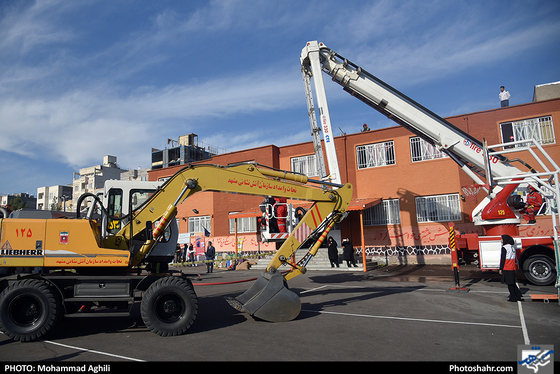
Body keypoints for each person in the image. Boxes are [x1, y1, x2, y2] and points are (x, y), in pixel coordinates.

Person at [499, 235, 523, 302]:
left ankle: (513, 297)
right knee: (512, 282)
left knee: (510, 283)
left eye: (502, 239)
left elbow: (503, 259)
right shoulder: (512, 247)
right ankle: (518, 295)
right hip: (512, 266)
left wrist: (501, 268)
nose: (501, 240)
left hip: (507, 267)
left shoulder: (504, 248)